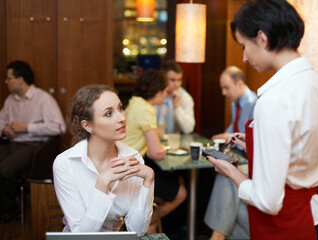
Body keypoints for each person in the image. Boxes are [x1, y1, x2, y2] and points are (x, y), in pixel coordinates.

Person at [207, 0, 318, 239]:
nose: (244, 58)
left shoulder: (272, 100)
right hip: (317, 219)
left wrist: (231, 172)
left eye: (244, 46)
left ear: (262, 38)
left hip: (285, 227)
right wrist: (264, 147)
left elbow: (268, 201)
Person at [53, 84, 154, 236]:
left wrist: (148, 180)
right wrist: (102, 184)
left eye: (120, 108)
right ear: (88, 126)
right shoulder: (66, 164)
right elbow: (82, 236)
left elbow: (138, 231)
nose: (121, 118)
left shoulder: (133, 158)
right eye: (108, 114)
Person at [0, 60, 65, 224]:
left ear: (20, 79)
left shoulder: (43, 98)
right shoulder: (10, 100)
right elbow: (1, 121)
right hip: (11, 144)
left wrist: (27, 128)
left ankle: (8, 210)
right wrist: (3, 130)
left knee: (5, 169)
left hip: (34, 147)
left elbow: (59, 127)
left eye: (9, 78)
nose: (6, 81)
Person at [123, 70, 187, 234]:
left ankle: (148, 223)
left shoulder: (135, 102)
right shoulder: (146, 110)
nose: (165, 96)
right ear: (158, 92)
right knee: (181, 193)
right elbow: (155, 153)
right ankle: (147, 222)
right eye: (165, 92)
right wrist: (164, 148)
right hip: (132, 172)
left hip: (126, 166)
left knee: (175, 180)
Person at [204, 66, 257, 240]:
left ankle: (217, 235)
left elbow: (255, 138)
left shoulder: (255, 103)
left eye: (226, 87)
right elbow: (234, 127)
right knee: (223, 170)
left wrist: (231, 137)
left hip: (252, 159)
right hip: (239, 157)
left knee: (225, 175)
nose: (223, 92)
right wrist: (223, 137)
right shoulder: (236, 104)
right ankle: (220, 235)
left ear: (240, 83)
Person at [156, 60, 195, 134]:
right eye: (172, 80)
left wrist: (177, 106)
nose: (177, 84)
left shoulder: (185, 98)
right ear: (163, 78)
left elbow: (189, 129)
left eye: (179, 80)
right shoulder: (154, 94)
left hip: (174, 141)